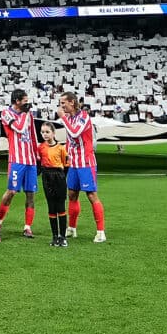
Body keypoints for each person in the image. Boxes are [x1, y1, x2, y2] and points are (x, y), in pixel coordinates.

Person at [59, 93, 106, 242]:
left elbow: (74, 132)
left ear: (72, 102)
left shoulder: (84, 117)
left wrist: (63, 118)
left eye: (63, 103)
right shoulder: (71, 118)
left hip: (86, 163)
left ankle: (101, 232)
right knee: (72, 194)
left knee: (91, 195)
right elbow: (69, 139)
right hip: (74, 163)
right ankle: (72, 228)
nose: (61, 106)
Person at [0, 88, 42, 240]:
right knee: (11, 192)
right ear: (17, 101)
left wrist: (37, 155)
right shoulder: (6, 113)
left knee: (31, 194)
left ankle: (27, 227)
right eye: (24, 101)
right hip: (16, 159)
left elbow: (32, 133)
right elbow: (19, 128)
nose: (27, 103)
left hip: (30, 160)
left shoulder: (27, 114)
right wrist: (25, 113)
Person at [40, 125, 72, 247]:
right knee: (51, 207)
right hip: (47, 176)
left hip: (58, 176)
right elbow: (39, 163)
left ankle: (62, 237)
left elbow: (67, 164)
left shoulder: (61, 148)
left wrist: (61, 177)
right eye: (43, 132)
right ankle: (54, 236)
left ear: (53, 133)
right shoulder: (41, 147)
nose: (45, 134)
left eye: (47, 132)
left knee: (61, 207)